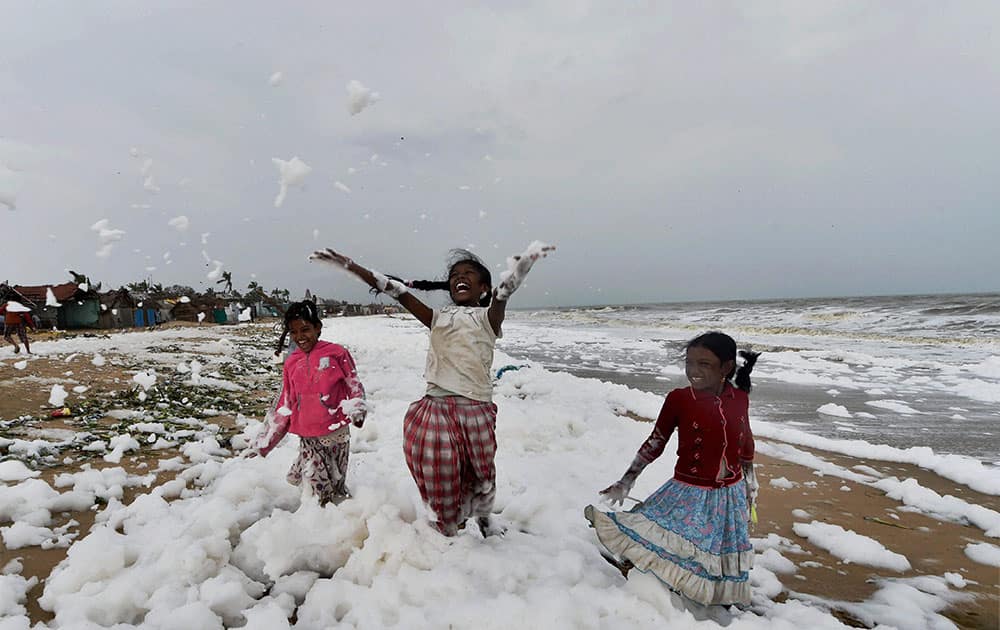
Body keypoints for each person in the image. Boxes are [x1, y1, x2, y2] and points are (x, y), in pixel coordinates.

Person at [310, 242, 553, 536]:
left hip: (475, 408)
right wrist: (350, 265)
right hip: (435, 405)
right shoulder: (437, 317)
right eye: (454, 275)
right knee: (439, 469)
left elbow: (504, 294)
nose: (459, 277)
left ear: (483, 288)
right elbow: (396, 291)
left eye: (468, 273)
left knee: (482, 473)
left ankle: (484, 516)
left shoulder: (488, 318)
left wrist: (521, 268)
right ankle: (446, 524)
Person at [585, 332, 761, 608]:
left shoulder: (739, 398)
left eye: (704, 364)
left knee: (716, 553)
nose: (693, 371)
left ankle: (710, 600)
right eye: (690, 362)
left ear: (726, 368)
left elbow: (746, 444)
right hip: (689, 492)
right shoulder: (680, 399)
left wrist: (750, 486)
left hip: (731, 494)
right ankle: (665, 595)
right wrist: (626, 482)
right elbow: (655, 443)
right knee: (676, 545)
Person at [246, 300, 368, 505]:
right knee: (319, 486)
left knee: (336, 480)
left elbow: (353, 384)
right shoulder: (292, 362)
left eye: (305, 329)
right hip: (308, 434)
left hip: (336, 432)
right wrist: (264, 443)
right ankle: (321, 521)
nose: (300, 337)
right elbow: (285, 403)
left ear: (317, 328)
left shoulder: (337, 353)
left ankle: (346, 517)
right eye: (294, 332)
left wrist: (357, 410)